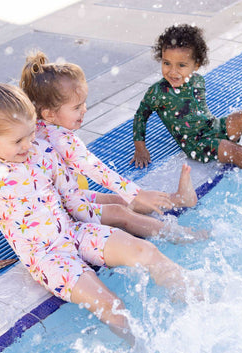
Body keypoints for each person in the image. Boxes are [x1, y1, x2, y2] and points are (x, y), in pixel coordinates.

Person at [0, 71, 201, 346]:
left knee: (146, 251)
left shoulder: (42, 151)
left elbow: (72, 199)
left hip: (73, 231)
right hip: (45, 257)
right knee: (111, 304)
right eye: (18, 141)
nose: (28, 145)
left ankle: (197, 300)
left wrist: (114, 217)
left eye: (31, 133)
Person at [19, 51, 206, 242]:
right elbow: (97, 170)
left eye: (83, 103)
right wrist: (138, 193)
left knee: (119, 200)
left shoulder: (35, 127)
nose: (84, 110)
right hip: (62, 212)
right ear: (49, 114)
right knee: (120, 212)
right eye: (77, 107)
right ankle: (182, 236)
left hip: (61, 199)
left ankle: (180, 200)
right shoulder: (61, 139)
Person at [130, 24, 242, 170]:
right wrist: (140, 147)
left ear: (196, 65)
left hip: (212, 127)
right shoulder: (158, 92)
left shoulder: (198, 81)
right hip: (197, 145)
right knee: (241, 153)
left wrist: (221, 132)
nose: (172, 71)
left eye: (181, 65)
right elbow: (140, 116)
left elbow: (199, 113)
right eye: (166, 63)